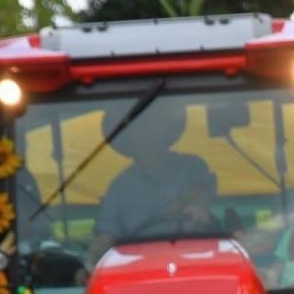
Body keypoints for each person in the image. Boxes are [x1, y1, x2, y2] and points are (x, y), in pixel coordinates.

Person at [89, 103, 217, 263]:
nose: (148, 135)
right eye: (140, 128)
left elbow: (199, 200)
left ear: (166, 131)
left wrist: (196, 208)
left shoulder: (192, 167)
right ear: (129, 137)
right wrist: (96, 255)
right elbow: (108, 232)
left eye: (153, 126)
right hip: (138, 267)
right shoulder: (119, 187)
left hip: (194, 259)